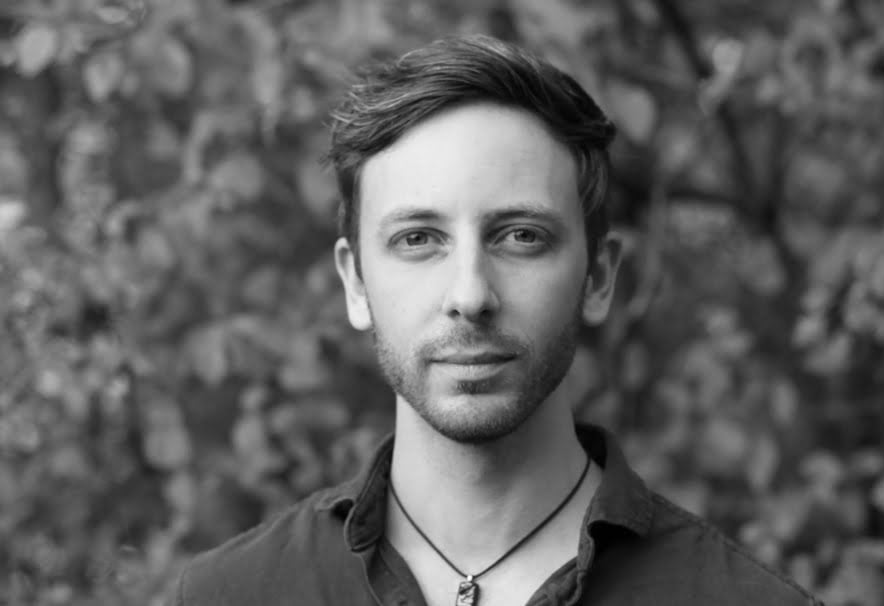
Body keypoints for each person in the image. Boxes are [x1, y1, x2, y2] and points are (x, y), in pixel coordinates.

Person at [169, 35, 822, 606]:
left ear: (597, 277)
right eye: (418, 239)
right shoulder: (229, 597)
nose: (470, 294)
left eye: (520, 237)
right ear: (355, 282)